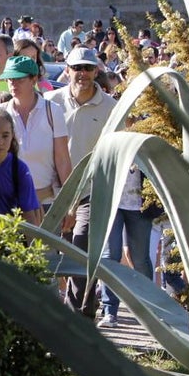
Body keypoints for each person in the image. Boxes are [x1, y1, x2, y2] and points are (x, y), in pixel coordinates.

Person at [46, 46, 119, 319]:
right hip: (55, 191)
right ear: (68, 69)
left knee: (80, 247)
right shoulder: (51, 102)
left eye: (88, 68)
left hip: (90, 190)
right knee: (57, 251)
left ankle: (78, 319)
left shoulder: (111, 107)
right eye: (77, 68)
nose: (83, 74)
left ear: (96, 71)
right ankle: (67, 314)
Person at [0, 55, 70, 226]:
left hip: (46, 203)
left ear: (34, 80)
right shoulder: (0, 114)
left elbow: (62, 160)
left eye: (19, 79)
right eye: (9, 79)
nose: (12, 84)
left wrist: (68, 204)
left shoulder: (53, 111)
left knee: (47, 253)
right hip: (10, 205)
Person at [98, 165, 153, 328]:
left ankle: (149, 309)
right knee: (111, 256)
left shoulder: (145, 139)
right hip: (113, 202)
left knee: (140, 259)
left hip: (141, 206)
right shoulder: (109, 137)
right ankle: (109, 311)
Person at [0, 107, 39, 220]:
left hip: (8, 235)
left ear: (12, 136)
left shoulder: (20, 169)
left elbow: (29, 214)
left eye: (5, 136)